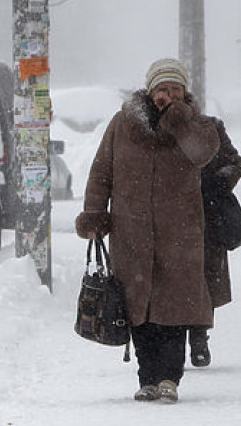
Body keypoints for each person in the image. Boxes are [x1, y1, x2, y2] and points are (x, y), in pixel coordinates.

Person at [75, 57, 220, 403]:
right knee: (138, 309)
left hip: (179, 233)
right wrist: (95, 215)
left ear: (184, 93)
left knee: (175, 307)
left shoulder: (197, 126)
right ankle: (147, 378)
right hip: (131, 232)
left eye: (175, 89)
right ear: (149, 90)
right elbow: (101, 173)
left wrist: (178, 119)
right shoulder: (123, 124)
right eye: (161, 88)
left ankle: (170, 377)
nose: (167, 94)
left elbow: (203, 153)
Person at [187, 125, 241, 367]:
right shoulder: (154, 128)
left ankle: (199, 337)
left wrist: (216, 183)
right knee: (170, 279)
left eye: (176, 89)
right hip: (168, 217)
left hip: (207, 218)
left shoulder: (208, 126)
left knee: (204, 278)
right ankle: (172, 341)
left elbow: (235, 162)